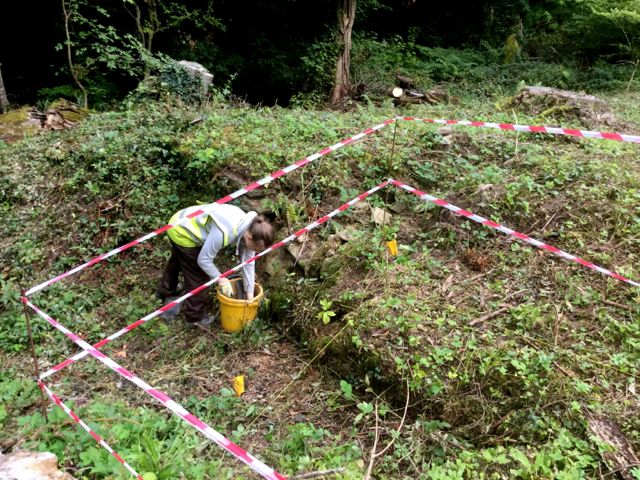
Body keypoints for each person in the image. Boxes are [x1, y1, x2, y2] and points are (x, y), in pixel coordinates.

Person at [157, 203, 274, 327]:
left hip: (179, 221)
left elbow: (248, 264)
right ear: (250, 238)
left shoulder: (251, 227)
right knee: (199, 277)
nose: (257, 251)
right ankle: (194, 318)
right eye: (257, 248)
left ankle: (167, 290)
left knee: (179, 259)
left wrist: (249, 295)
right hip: (182, 230)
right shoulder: (225, 231)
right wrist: (221, 279)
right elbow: (204, 260)